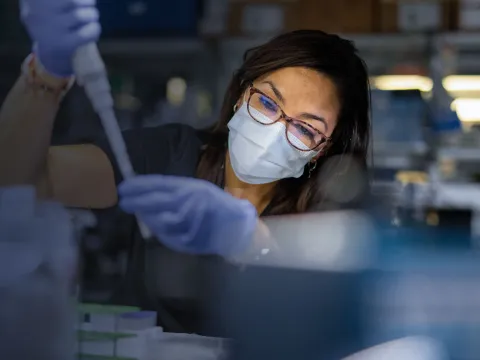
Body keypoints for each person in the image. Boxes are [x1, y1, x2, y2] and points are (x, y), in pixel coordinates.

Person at [0, 0, 370, 333]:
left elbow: (338, 327)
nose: (275, 130)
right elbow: (21, 178)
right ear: (242, 93)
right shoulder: (168, 155)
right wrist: (46, 72)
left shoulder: (333, 213)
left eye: (305, 129)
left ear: (322, 150)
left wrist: (251, 241)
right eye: (268, 104)